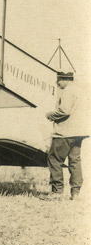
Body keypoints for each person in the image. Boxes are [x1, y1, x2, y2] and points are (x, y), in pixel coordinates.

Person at [45, 71, 88, 200]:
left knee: (54, 159)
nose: (57, 84)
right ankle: (75, 192)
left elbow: (64, 111)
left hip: (65, 133)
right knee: (74, 161)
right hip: (79, 133)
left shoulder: (67, 91)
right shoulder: (81, 91)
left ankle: (57, 192)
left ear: (64, 79)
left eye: (58, 80)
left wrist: (50, 115)